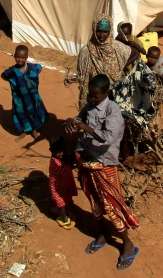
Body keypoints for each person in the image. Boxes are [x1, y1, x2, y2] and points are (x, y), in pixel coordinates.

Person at [65, 74, 140, 271]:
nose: (91, 99)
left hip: (104, 163)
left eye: (95, 97)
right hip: (86, 159)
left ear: (107, 93)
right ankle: (104, 232)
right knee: (94, 200)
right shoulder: (90, 105)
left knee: (112, 203)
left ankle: (128, 244)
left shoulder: (112, 110)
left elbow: (106, 138)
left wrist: (84, 128)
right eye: (90, 95)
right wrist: (71, 123)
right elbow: (79, 118)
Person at [76, 14, 135, 108]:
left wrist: (122, 65)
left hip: (112, 94)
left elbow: (135, 53)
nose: (101, 35)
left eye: (105, 32)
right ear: (94, 30)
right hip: (93, 96)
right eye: (99, 31)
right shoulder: (86, 51)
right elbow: (81, 75)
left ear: (110, 31)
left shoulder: (117, 47)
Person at [0, 45, 49, 142]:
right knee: (21, 113)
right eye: (18, 57)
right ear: (14, 56)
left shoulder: (31, 68)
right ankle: (25, 131)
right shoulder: (12, 71)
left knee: (33, 112)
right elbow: (4, 75)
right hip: (19, 98)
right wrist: (13, 82)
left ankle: (34, 130)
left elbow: (39, 67)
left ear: (27, 58)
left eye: (23, 57)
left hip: (32, 97)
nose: (20, 60)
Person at [48, 137, 78, 229]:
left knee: (66, 199)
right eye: (57, 152)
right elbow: (64, 169)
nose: (60, 154)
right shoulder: (54, 161)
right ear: (51, 151)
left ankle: (65, 213)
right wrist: (71, 161)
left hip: (66, 183)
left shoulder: (63, 157)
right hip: (57, 186)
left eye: (62, 151)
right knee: (61, 203)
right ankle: (64, 219)